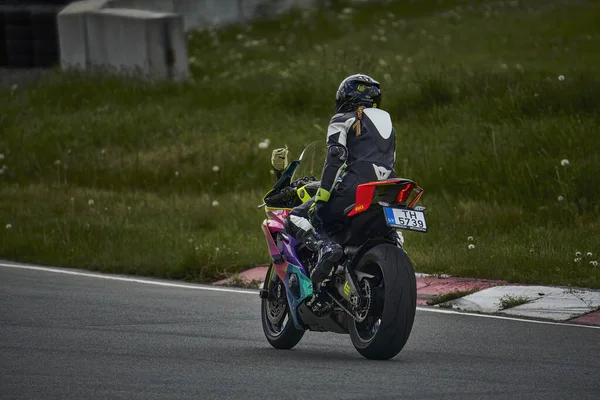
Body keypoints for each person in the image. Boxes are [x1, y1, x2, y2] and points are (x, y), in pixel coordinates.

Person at [274, 73, 397, 285]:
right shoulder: (388, 128)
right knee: (389, 230)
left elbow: (336, 157)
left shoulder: (342, 119)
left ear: (343, 99)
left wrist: (323, 195)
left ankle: (325, 247)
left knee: (295, 218)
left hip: (354, 189)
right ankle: (395, 245)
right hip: (387, 190)